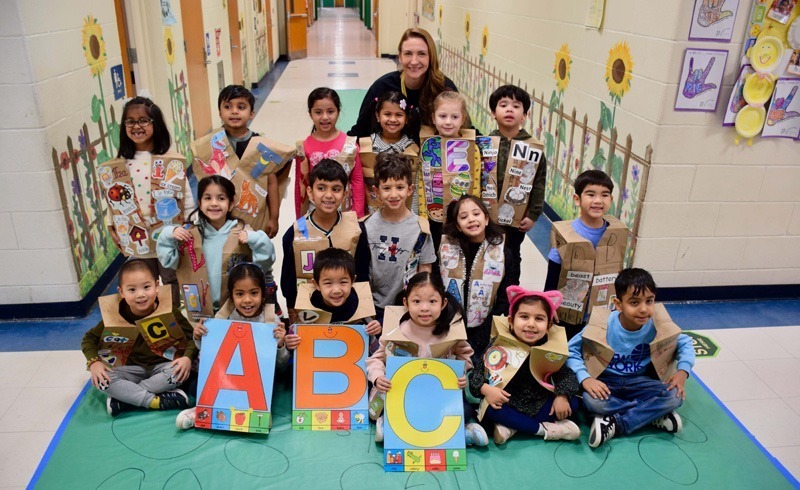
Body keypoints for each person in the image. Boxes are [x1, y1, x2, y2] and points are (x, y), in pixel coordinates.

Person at [566, 268, 696, 448]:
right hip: (607, 382)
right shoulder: (604, 325)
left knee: (675, 396)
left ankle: (615, 424)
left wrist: (683, 371)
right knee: (591, 401)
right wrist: (585, 378)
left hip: (641, 381)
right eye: (634, 302)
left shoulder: (657, 325)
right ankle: (652, 415)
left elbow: (685, 342)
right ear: (618, 304)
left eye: (649, 301)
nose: (643, 309)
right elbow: (571, 350)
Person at [190, 85, 292, 314]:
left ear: (252, 113)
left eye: (241, 107)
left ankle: (267, 311)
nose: (234, 112)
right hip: (220, 222)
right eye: (228, 107)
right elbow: (205, 185)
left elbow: (272, 181)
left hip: (253, 220)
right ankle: (225, 308)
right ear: (219, 112)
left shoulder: (261, 145)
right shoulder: (211, 146)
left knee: (258, 266)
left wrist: (274, 217)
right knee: (222, 264)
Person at [366, 272, 489, 447]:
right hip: (404, 395)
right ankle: (389, 424)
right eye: (417, 301)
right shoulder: (397, 330)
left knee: (466, 409)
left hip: (436, 396)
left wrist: (462, 374)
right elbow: (376, 359)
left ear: (443, 303)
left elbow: (466, 358)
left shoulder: (452, 332)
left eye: (432, 301)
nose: (425, 308)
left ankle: (462, 432)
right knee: (381, 407)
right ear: (405, 303)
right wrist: (378, 377)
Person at [100, 96, 194, 306]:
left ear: (155, 124)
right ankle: (151, 319)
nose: (136, 126)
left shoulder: (170, 159)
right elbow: (112, 197)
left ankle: (175, 319)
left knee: (172, 279)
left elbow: (185, 194)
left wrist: (190, 221)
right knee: (142, 282)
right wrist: (110, 225)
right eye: (130, 121)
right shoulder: (120, 163)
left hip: (168, 234)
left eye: (143, 120)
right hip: (137, 236)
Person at [176, 262, 289, 429]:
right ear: (232, 296)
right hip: (228, 376)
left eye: (254, 293)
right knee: (194, 385)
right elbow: (211, 356)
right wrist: (200, 337)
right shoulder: (224, 318)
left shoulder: (271, 320)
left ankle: (255, 412)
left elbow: (281, 364)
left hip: (256, 381)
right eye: (240, 294)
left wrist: (280, 344)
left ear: (263, 294)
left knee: (273, 387)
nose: (247, 300)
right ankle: (201, 410)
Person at [82, 259, 196, 416]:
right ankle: (155, 401)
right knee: (101, 380)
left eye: (147, 287)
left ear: (157, 286)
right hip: (130, 369)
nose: (140, 295)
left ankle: (125, 399)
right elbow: (89, 339)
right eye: (132, 290)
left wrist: (187, 358)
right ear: (121, 292)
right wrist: (94, 363)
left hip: (163, 367)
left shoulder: (169, 309)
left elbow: (192, 338)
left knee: (180, 372)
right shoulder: (116, 314)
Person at [469, 287, 580, 444]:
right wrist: (487, 390)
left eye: (539, 319)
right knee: (489, 409)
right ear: (511, 321)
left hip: (539, 401)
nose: (531, 324)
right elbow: (475, 376)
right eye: (524, 317)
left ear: (549, 326)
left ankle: (512, 427)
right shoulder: (499, 344)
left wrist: (562, 396)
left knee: (573, 402)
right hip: (506, 400)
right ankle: (544, 430)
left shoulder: (549, 349)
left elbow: (566, 376)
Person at [157, 175, 276, 319]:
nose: (214, 203)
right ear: (199, 203)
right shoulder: (189, 234)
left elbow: (265, 262)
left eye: (221, 198)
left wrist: (255, 239)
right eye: (208, 198)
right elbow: (168, 260)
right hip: (200, 310)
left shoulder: (242, 231)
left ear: (231, 204)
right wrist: (169, 233)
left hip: (236, 311)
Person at [281, 159, 371, 325]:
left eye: (336, 189)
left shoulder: (357, 230)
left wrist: (362, 316)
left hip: (350, 315)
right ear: (309, 192)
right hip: (309, 316)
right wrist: (293, 313)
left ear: (345, 193)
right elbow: (288, 280)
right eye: (321, 188)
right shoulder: (294, 232)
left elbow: (363, 276)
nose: (328, 195)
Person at [543, 169, 627, 339]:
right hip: (569, 312)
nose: (598, 201)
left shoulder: (615, 234)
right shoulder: (566, 235)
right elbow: (552, 276)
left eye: (605, 195)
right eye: (590, 194)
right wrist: (548, 305)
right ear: (577, 199)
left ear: (611, 200)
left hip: (600, 311)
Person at [440, 195, 518, 360]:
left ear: (487, 219)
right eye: (464, 217)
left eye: (476, 214)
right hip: (448, 326)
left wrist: (484, 333)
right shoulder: (446, 251)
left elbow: (506, 297)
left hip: (486, 329)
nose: (471, 220)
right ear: (458, 226)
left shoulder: (503, 253)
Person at [361, 153, 436, 321]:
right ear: (376, 191)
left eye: (399, 187)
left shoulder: (420, 227)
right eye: (387, 188)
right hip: (372, 308)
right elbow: (361, 271)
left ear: (409, 189)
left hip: (408, 309)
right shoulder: (366, 226)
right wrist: (366, 313)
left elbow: (425, 270)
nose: (393, 195)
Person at [349, 28, 459, 141]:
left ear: (431, 57)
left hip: (434, 154)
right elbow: (360, 130)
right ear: (400, 57)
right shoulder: (382, 87)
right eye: (408, 54)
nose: (414, 61)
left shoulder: (444, 87)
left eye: (421, 54)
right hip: (390, 154)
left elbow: (463, 126)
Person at [486, 85, 547, 287]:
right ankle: (487, 293)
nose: (509, 109)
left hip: (516, 218)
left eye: (516, 106)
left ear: (524, 115)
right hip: (486, 215)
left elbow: (539, 182)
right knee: (487, 253)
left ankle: (509, 294)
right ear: (493, 113)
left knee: (511, 255)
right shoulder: (485, 143)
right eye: (503, 105)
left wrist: (533, 215)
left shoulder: (533, 148)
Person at [284, 248, 381, 350]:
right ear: (316, 284)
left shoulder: (362, 308)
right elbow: (295, 343)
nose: (336, 290)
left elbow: (375, 350)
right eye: (328, 283)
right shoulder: (307, 309)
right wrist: (289, 344)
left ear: (353, 281)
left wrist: (377, 328)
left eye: (343, 282)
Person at [419, 91, 479, 250]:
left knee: (460, 250)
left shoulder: (471, 148)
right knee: (434, 250)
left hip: (462, 215)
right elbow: (421, 181)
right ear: (433, 118)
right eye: (442, 116)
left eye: (454, 117)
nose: (448, 122)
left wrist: (475, 211)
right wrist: (422, 214)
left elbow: (477, 180)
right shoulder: (427, 146)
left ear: (463, 118)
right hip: (434, 214)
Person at [296, 87, 365, 218]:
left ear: (338, 112)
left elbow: (357, 181)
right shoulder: (304, 147)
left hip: (345, 210)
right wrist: (299, 218)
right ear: (310, 114)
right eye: (318, 112)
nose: (325, 117)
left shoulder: (349, 144)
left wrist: (358, 215)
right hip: (315, 211)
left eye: (330, 111)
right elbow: (300, 187)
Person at [358, 91, 420, 214]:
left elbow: (416, 187)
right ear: (377, 116)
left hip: (403, 216)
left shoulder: (412, 149)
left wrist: (414, 216)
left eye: (399, 115)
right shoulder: (366, 146)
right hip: (371, 216)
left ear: (407, 118)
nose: (393, 119)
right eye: (387, 114)